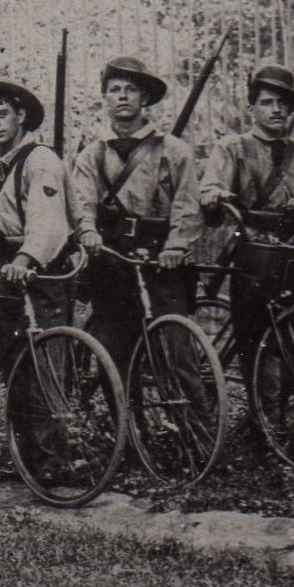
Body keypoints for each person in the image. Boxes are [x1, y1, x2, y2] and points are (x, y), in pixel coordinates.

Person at [68, 57, 202, 376]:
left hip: (162, 259)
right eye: (114, 89)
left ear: (145, 98)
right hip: (112, 258)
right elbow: (81, 201)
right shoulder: (91, 155)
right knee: (113, 353)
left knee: (177, 349)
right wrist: (87, 231)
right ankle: (123, 424)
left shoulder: (174, 151)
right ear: (105, 98)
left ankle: (196, 425)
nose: (123, 96)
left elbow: (187, 205)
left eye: (131, 89)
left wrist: (176, 247)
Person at [199, 63, 294, 357]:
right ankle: (255, 397)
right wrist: (215, 195)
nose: (276, 110)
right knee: (253, 336)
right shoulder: (232, 148)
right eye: (266, 102)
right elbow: (209, 188)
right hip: (248, 239)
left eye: (282, 103)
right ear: (252, 109)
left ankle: (286, 396)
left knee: (293, 338)